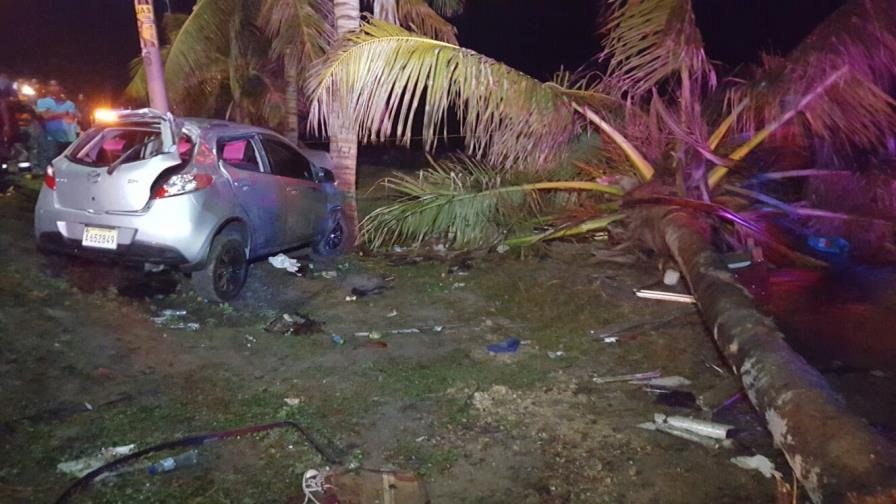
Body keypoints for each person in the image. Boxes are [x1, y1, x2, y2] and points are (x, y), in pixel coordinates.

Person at [35, 80, 79, 168]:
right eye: (51, 86)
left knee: (66, 158)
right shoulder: (42, 102)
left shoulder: (70, 104)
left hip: (67, 135)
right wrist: (63, 113)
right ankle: (50, 178)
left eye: (56, 86)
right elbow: (45, 116)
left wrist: (53, 113)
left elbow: (71, 118)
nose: (54, 88)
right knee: (51, 157)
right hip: (50, 134)